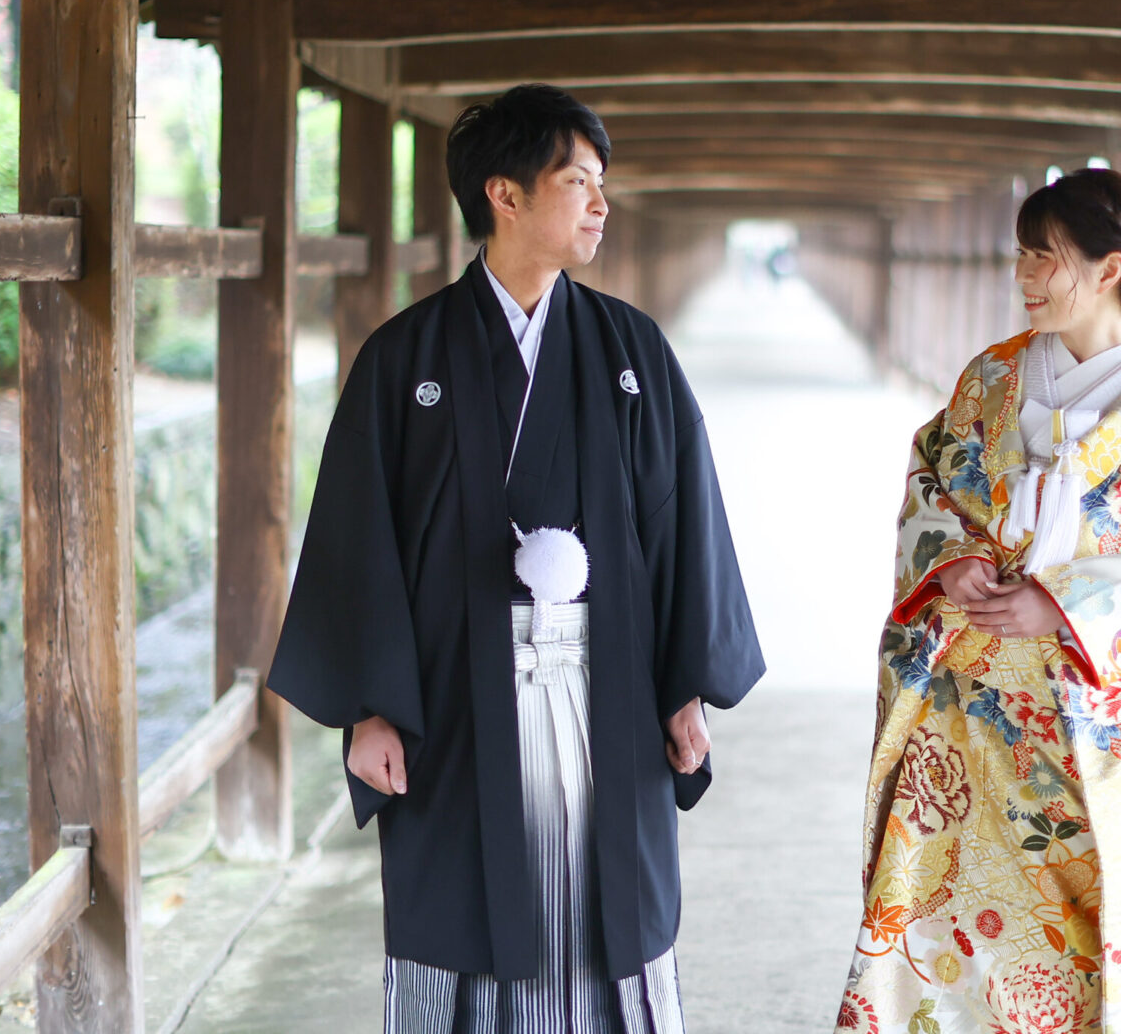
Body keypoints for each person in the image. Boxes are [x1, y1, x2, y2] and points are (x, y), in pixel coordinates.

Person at [268, 84, 766, 1033]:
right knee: (468, 909)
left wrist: (684, 687)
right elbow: (356, 537)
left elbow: (681, 524)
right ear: (504, 195)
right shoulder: (403, 358)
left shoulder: (633, 351)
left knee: (603, 904)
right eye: (575, 180)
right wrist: (371, 707)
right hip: (456, 695)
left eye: (601, 182)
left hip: (606, 684)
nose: (599, 203)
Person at [835, 169, 1121, 1034]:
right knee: (949, 911)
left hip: (1090, 711)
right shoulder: (991, 376)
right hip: (969, 707)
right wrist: (947, 564)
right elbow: (930, 481)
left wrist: (1061, 605)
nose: (1024, 277)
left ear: (1109, 269)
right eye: (1022, 256)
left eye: (1044, 257)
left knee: (1106, 922)